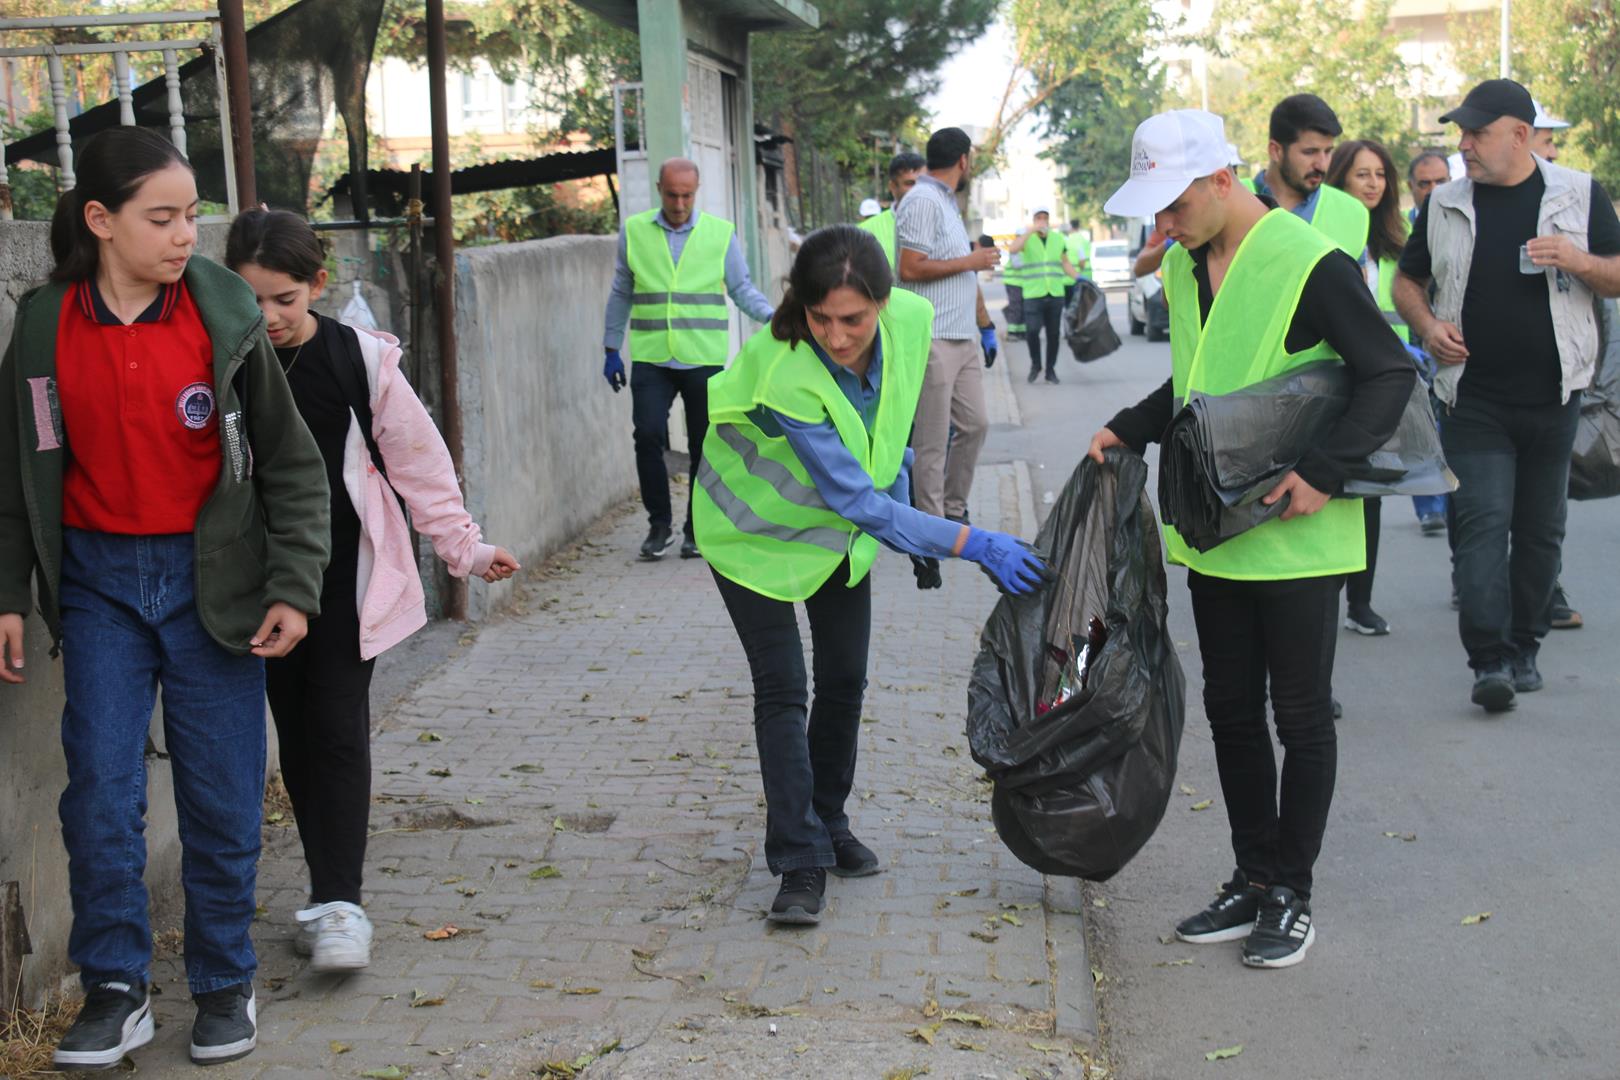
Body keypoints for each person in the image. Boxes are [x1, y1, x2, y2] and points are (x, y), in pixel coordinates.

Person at [0, 127, 331, 1068]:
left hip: (213, 587)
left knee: (221, 798)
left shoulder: (223, 314)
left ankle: (224, 982)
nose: (186, 234)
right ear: (101, 221)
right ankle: (117, 989)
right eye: (163, 217)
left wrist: (293, 586)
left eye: (191, 214)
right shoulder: (44, 325)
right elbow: (17, 470)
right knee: (100, 797)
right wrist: (9, 592)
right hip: (97, 588)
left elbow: (291, 465)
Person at [1090, 109, 1412, 968]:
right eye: (1156, 210)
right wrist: (1127, 426)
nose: (1164, 225)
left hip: (1299, 534)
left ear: (1223, 180)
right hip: (1218, 531)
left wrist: (1326, 473)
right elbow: (1197, 382)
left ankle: (1291, 893)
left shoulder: (1309, 260)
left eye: (1174, 204)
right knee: (1231, 711)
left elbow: (1389, 372)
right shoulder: (1187, 265)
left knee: (1300, 716)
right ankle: (1253, 875)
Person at [693, 225, 1051, 924]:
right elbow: (857, 500)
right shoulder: (786, 368)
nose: (835, 335)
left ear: (883, 304)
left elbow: (888, 430)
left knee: (846, 679)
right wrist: (971, 542)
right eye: (820, 317)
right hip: (750, 535)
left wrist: (914, 510)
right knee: (783, 688)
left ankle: (828, 822)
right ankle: (798, 859)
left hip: (832, 538)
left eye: (852, 319)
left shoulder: (912, 322)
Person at [224, 209, 521, 975]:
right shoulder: (221, 359)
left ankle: (341, 902)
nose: (269, 316)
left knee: (336, 728)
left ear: (318, 285)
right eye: (251, 299)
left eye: (285, 299)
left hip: (345, 579)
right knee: (294, 734)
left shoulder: (358, 360)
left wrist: (465, 548)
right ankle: (325, 896)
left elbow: (420, 461)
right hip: (254, 581)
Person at [1393, 78, 1620, 711]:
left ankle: (1525, 647)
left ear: (1520, 135)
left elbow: (1615, 275)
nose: (1464, 145)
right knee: (1482, 530)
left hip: (1556, 398)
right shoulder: (1444, 203)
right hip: (1474, 401)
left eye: (1477, 133)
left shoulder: (1579, 193)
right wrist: (1428, 326)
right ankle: (1489, 660)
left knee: (1541, 533)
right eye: (1462, 133)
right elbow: (1407, 283)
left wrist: (1577, 260)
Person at [601, 158, 774, 561]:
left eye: (687, 196)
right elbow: (622, 290)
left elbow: (741, 288)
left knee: (704, 446)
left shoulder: (720, 233)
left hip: (703, 357)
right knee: (647, 436)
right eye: (672, 195)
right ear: (659, 189)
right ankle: (658, 525)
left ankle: (696, 529)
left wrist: (774, 318)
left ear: (696, 192)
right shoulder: (634, 231)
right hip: (652, 356)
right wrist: (611, 348)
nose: (679, 204)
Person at [895, 126, 1002, 586]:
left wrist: (984, 324)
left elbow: (960, 272)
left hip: (962, 337)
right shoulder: (921, 199)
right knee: (932, 442)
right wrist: (971, 261)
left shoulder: (947, 202)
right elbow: (909, 268)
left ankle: (954, 511)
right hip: (933, 337)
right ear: (963, 160)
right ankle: (930, 535)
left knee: (976, 425)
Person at [1326, 138, 1411, 635]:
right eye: (1362, 174)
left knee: (1370, 493)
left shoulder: (1397, 241)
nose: (1374, 183)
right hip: (1328, 381)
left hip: (1381, 383)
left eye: (1380, 174)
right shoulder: (1321, 235)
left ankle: (1361, 603)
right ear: (1340, 179)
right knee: (1331, 491)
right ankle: (1321, 600)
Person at [1528, 97, 1586, 631]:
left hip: (1558, 387)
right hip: (1479, 392)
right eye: (1546, 138)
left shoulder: (1577, 195)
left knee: (1544, 509)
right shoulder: (1462, 201)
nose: (1553, 148)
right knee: (1490, 507)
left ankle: (1545, 589)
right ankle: (1482, 587)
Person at [1252, 94, 1369, 259]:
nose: (1322, 165)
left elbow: (1358, 275)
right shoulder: (1230, 201)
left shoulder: (1353, 214)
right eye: (1310, 152)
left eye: (1328, 151)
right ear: (1276, 151)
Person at [1008, 210, 1079, 384]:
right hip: (1033, 293)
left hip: (1055, 293)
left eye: (1045, 218)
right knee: (1032, 331)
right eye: (1039, 218)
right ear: (1034, 220)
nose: (1042, 221)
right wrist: (1031, 231)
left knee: (1053, 334)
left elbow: (1065, 262)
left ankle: (1050, 370)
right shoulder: (1027, 238)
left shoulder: (1057, 238)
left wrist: (1079, 278)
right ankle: (1036, 364)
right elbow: (1013, 249)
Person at [857, 151, 925, 272]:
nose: (918, 190)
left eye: (923, 183)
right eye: (910, 183)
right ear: (892, 187)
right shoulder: (864, 232)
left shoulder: (948, 222)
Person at [1063, 218, 1092, 306]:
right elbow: (1083, 258)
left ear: (1070, 227)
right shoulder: (1085, 240)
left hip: (1070, 278)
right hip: (1087, 276)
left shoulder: (1067, 241)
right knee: (1084, 305)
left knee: (1071, 305)